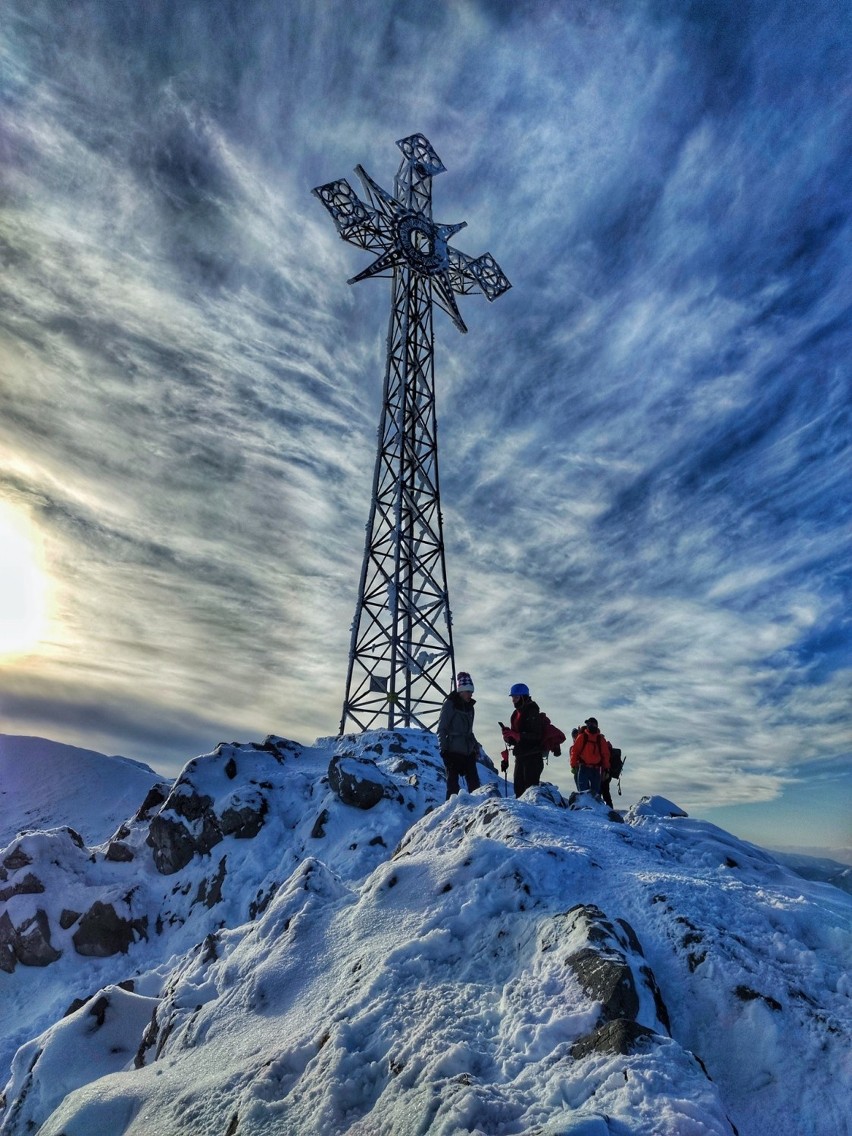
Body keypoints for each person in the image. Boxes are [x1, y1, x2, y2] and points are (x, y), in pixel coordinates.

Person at [437, 671, 481, 800]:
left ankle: (476, 812)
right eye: (468, 691)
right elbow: (442, 728)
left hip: (468, 751)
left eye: (471, 691)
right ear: (461, 691)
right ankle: (450, 815)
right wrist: (444, 750)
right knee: (453, 789)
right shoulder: (450, 704)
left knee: (475, 786)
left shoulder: (470, 707)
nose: (470, 694)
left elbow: (469, 730)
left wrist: (475, 747)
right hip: (453, 751)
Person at [501, 682, 544, 798]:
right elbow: (516, 739)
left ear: (523, 697)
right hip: (521, 756)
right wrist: (508, 737)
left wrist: (517, 735)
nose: (513, 700)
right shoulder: (515, 714)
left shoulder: (532, 711)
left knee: (529, 791)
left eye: (516, 697)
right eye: (513, 697)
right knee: (519, 790)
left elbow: (536, 735)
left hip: (533, 756)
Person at [570, 716, 610, 799]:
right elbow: (575, 751)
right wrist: (573, 764)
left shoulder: (600, 739)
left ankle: (591, 811)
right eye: (588, 724)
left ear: (596, 725)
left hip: (594, 769)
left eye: (591, 724)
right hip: (585, 767)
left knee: (594, 795)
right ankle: (587, 811)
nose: (590, 725)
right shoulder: (582, 737)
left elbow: (605, 754)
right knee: (585, 794)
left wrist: (606, 768)